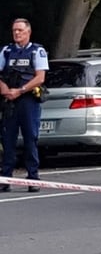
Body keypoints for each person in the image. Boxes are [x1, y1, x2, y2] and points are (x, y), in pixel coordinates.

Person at [0, 18, 49, 193]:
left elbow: (40, 77)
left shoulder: (37, 51)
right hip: (9, 101)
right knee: (7, 141)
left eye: (20, 30)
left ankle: (33, 178)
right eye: (14, 30)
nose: (16, 33)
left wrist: (20, 90)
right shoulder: (6, 51)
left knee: (30, 139)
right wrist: (6, 90)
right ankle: (5, 178)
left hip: (28, 101)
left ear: (28, 32)